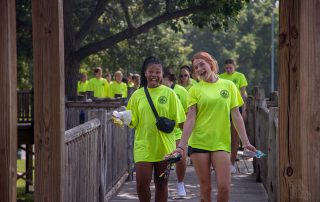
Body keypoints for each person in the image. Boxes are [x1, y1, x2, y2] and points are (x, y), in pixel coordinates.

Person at [172, 51, 256, 202]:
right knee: (206, 189)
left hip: (221, 143)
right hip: (199, 142)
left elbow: (236, 115)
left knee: (224, 188)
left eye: (201, 64)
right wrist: (181, 147)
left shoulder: (229, 86)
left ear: (211, 64)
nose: (198, 69)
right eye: (195, 67)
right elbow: (190, 118)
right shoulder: (195, 89)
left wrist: (246, 142)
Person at [126, 56, 186, 202]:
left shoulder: (170, 94)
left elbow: (181, 121)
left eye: (158, 72)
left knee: (161, 184)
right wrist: (122, 118)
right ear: (145, 73)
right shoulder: (137, 95)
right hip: (143, 146)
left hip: (165, 148)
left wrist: (182, 147)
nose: (154, 75)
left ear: (162, 74)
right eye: (151, 72)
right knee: (141, 184)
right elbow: (132, 121)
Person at [162, 68, 189, 197]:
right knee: (163, 160)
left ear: (167, 78)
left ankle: (180, 183)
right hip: (163, 132)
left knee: (181, 159)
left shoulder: (181, 91)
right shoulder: (157, 91)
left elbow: (189, 111)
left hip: (178, 130)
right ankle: (163, 186)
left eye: (161, 78)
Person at [219, 59, 248, 174]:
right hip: (223, 108)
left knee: (235, 135)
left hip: (236, 107)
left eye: (231, 68)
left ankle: (231, 163)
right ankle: (221, 161)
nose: (229, 70)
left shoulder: (240, 76)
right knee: (223, 134)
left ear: (235, 67)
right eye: (226, 68)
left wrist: (244, 109)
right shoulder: (220, 77)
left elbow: (243, 94)